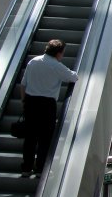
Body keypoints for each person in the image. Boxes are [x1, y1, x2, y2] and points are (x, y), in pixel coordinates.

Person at [20, 39, 78, 177]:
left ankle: (26, 168)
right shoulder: (56, 66)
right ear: (58, 53)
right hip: (47, 105)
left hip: (30, 102)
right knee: (45, 138)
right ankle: (40, 169)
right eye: (62, 53)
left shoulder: (33, 62)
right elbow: (73, 77)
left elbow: (23, 84)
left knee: (30, 137)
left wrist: (24, 102)